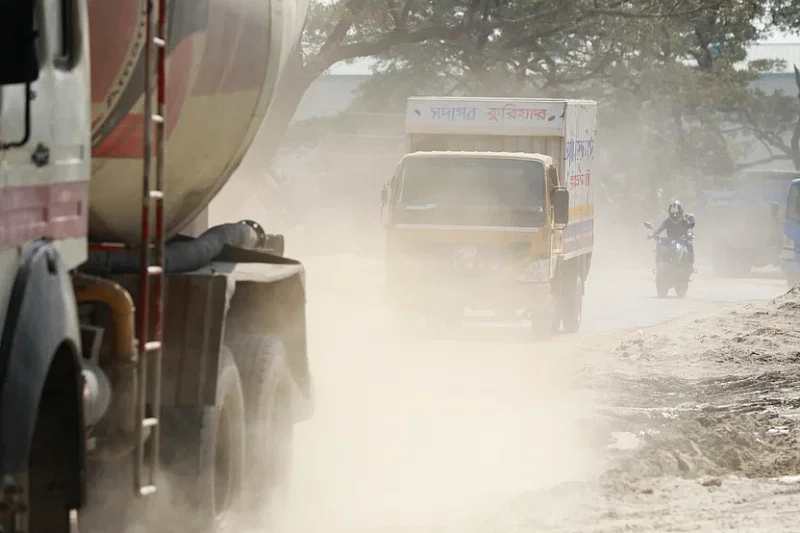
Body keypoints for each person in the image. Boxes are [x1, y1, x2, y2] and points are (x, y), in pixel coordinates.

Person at [653, 200, 695, 267]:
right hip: (670, 240)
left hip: (682, 240)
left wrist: (689, 235)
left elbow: (689, 228)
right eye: (672, 214)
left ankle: (690, 264)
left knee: (689, 244)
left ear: (680, 213)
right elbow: (661, 227)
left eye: (677, 214)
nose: (675, 216)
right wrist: (655, 233)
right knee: (659, 244)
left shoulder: (684, 220)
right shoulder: (668, 220)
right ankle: (659, 264)